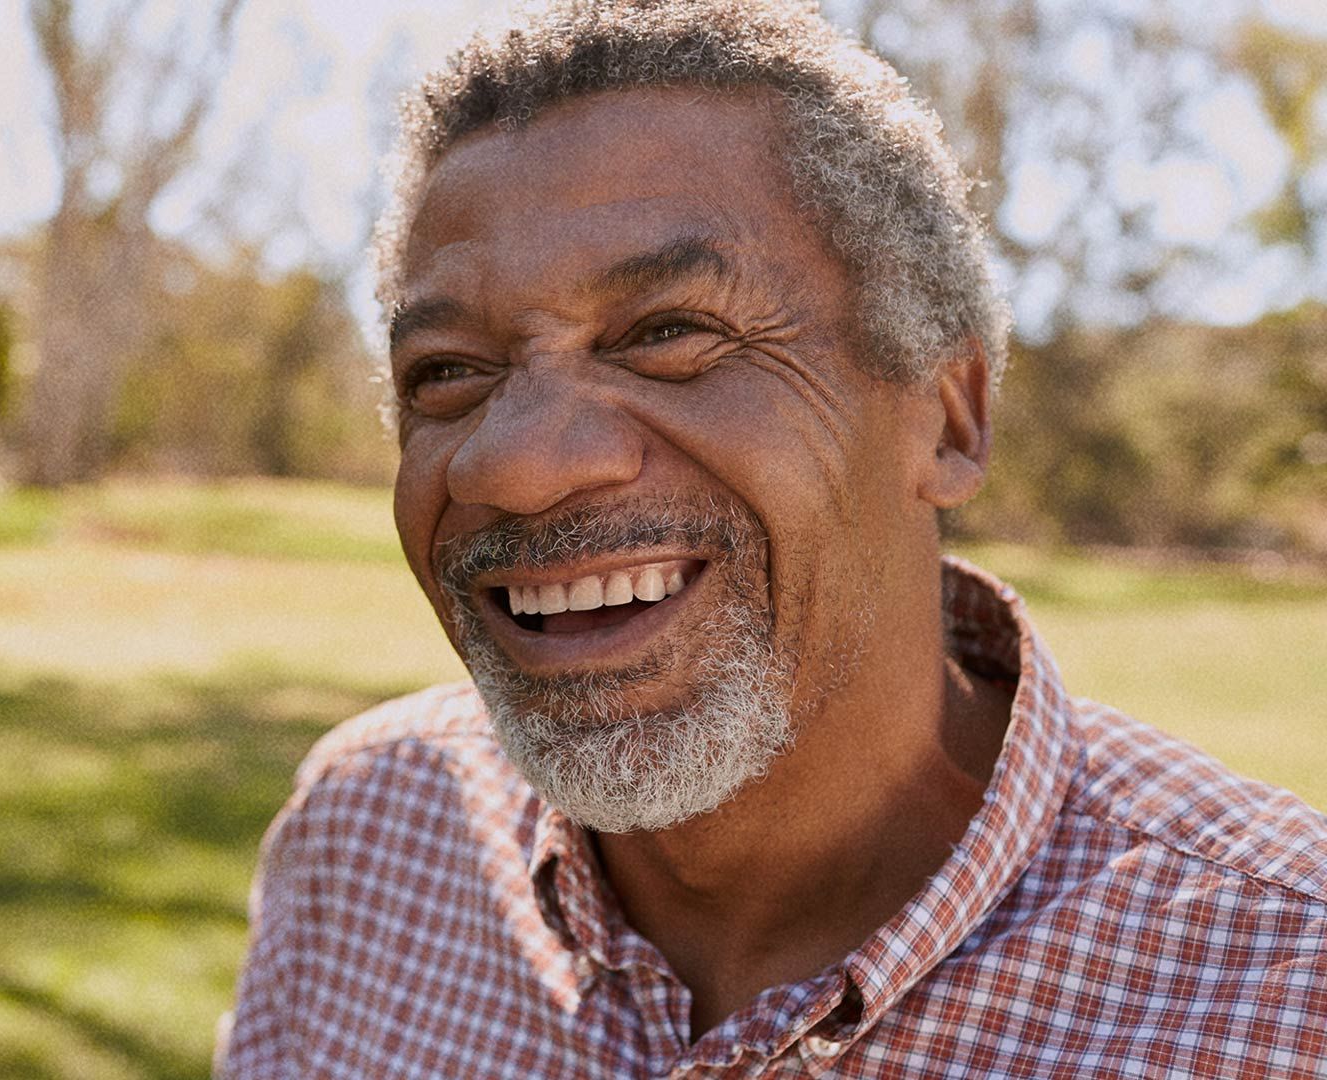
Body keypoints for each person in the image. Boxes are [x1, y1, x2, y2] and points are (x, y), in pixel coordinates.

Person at [218, 2, 1327, 1076]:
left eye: (668, 334)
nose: (512, 464)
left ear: (946, 419)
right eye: (448, 373)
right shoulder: (366, 835)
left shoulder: (1284, 989)